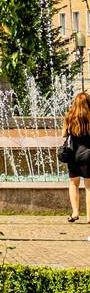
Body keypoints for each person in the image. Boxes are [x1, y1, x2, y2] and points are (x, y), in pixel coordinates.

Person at [62, 92, 90, 222]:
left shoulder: (69, 116)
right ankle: (89, 217)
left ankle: (75, 213)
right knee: (89, 185)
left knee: (73, 183)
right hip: (88, 155)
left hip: (73, 154)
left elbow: (64, 134)